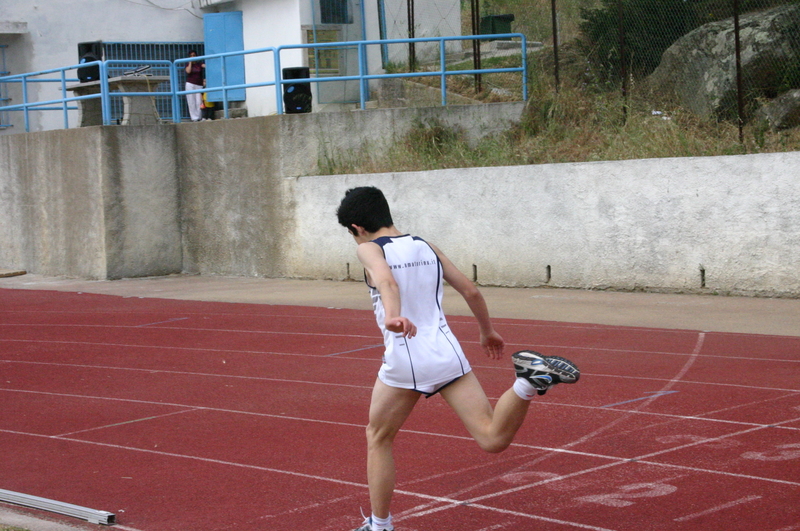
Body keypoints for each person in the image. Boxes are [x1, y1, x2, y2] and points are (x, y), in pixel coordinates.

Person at [336, 186, 580, 531]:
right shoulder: (425, 245)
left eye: (351, 234)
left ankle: (380, 525)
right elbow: (471, 290)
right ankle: (526, 382)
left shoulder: (369, 250)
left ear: (358, 228)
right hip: (448, 354)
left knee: (378, 437)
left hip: (408, 357)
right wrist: (487, 332)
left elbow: (387, 282)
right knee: (492, 438)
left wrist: (393, 317)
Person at [184, 50, 205, 122]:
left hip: (199, 84)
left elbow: (206, 66)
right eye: (191, 55)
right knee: (191, 101)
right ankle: (194, 117)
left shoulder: (199, 64)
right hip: (190, 84)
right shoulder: (187, 64)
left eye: (194, 55)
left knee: (199, 101)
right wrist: (190, 62)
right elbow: (188, 71)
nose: (193, 57)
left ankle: (199, 116)